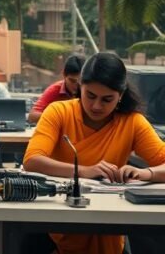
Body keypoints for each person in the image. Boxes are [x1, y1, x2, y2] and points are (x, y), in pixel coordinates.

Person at [23, 52, 165, 254]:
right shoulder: (58, 112)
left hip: (109, 221)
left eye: (107, 99)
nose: (97, 106)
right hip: (56, 222)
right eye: (90, 96)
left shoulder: (132, 122)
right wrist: (84, 171)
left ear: (120, 96)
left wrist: (144, 173)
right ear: (80, 87)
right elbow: (32, 160)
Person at [27, 54, 84, 124]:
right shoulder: (54, 90)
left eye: (81, 82)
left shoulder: (89, 92)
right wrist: (58, 117)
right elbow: (32, 116)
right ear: (64, 75)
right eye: (72, 81)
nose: (76, 86)